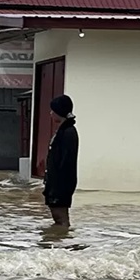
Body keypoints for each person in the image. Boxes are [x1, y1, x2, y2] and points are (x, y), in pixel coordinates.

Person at [43, 94, 79, 229]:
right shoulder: (63, 130)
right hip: (56, 182)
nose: (51, 113)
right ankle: (59, 240)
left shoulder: (69, 132)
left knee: (60, 218)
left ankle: (62, 242)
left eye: (53, 110)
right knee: (57, 217)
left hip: (61, 183)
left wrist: (57, 184)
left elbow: (65, 161)